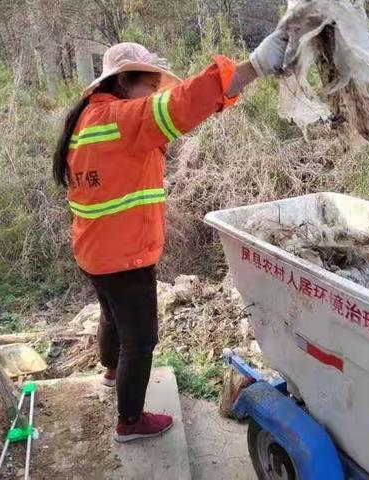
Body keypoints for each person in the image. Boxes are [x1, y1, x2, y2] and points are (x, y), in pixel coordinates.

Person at [52, 32, 288, 443]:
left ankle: (111, 372)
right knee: (141, 340)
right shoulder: (125, 118)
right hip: (125, 255)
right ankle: (130, 422)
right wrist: (253, 67)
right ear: (125, 83)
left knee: (111, 316)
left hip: (93, 250)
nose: (154, 94)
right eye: (149, 85)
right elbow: (184, 103)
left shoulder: (87, 120)